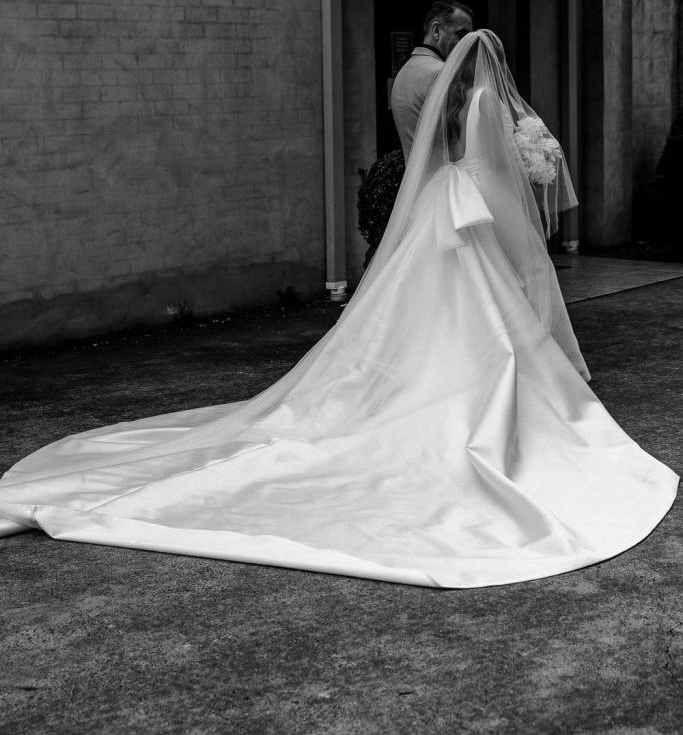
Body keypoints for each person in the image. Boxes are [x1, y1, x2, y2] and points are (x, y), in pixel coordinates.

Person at [0, 31, 677, 588]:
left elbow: (445, 162)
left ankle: (418, 377)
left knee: (425, 303)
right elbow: (498, 173)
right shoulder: (485, 108)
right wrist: (527, 191)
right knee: (481, 313)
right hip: (471, 206)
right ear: (491, 65)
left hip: (444, 205)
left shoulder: (445, 103)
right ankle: (456, 388)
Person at [391, 0, 473, 159]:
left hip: (414, 182)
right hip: (446, 180)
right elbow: (459, 146)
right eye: (461, 35)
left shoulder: (403, 73)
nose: (467, 44)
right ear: (436, 31)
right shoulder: (443, 73)